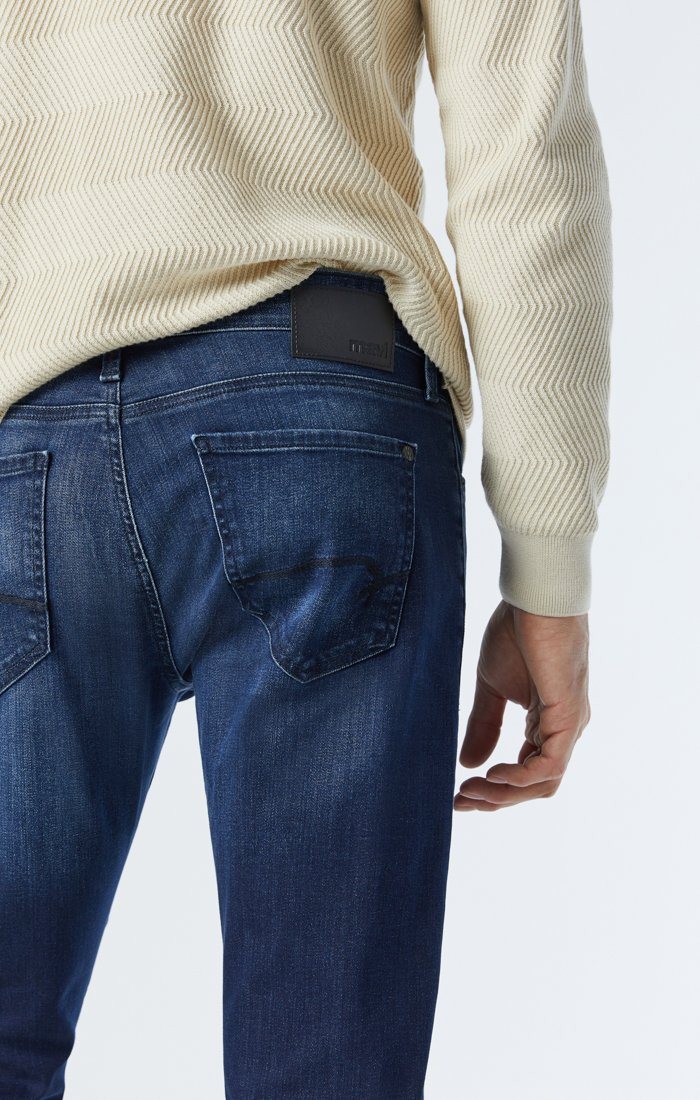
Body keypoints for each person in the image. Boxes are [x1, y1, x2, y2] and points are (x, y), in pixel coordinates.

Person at [0, 1, 611, 1096]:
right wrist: (547, 566)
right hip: (322, 394)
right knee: (326, 1066)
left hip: (23, 417)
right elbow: (522, 151)